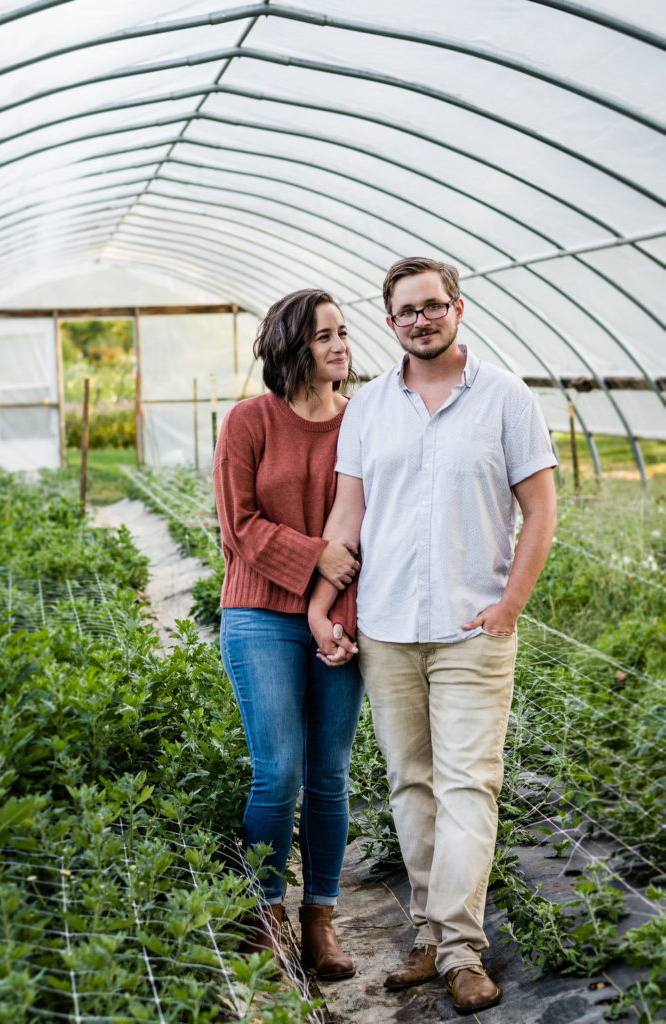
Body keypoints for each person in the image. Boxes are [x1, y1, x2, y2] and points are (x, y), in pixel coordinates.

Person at [308, 257, 557, 1014]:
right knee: (410, 785)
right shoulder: (370, 408)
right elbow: (346, 520)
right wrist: (323, 605)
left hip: (470, 627)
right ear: (390, 323)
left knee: (466, 786)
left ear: (457, 307)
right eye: (404, 312)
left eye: (431, 305)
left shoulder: (506, 398)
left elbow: (540, 512)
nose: (419, 319)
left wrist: (509, 605)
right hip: (386, 625)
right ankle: (426, 937)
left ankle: (459, 949)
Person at [213, 288, 364, 980]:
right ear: (290, 346)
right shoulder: (249, 421)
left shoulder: (361, 424)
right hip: (259, 615)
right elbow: (237, 527)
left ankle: (321, 922)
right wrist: (314, 557)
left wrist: (341, 612)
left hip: (335, 619)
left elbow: (373, 530)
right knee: (279, 771)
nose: (339, 345)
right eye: (322, 336)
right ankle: (265, 914)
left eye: (342, 333)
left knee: (329, 776)